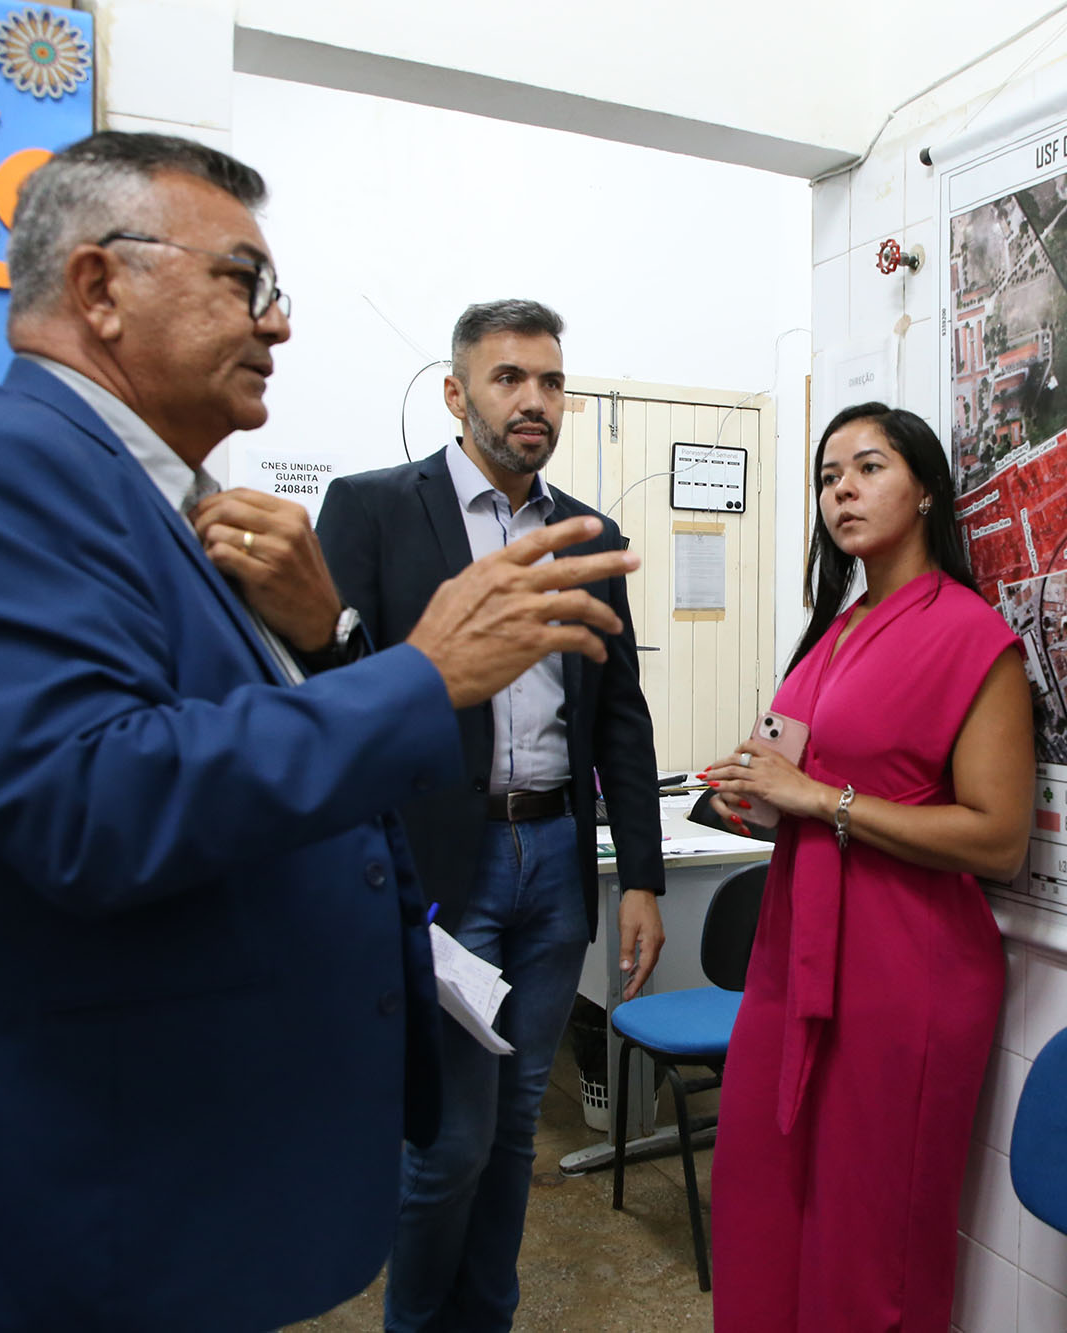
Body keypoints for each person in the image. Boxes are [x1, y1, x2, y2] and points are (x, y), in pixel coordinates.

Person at [0, 133, 639, 1333]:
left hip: (161, 1174)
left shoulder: (156, 501)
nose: (278, 323)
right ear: (99, 287)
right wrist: (419, 675)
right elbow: (94, 803)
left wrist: (331, 646)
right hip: (76, 1205)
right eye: (243, 281)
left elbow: (233, 738)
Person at [316, 298, 665, 1333]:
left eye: (551, 381)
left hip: (556, 856)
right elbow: (330, 695)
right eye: (509, 377)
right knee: (450, 1140)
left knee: (517, 1128)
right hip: (441, 861)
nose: (534, 400)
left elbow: (620, 714)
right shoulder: (374, 510)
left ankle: (487, 1317)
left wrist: (640, 876)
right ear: (454, 391)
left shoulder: (586, 534)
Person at [702, 403, 1034, 1331]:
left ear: (925, 489)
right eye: (827, 476)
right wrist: (757, 798)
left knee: (869, 1237)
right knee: (761, 1200)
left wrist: (821, 800)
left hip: (903, 971)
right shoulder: (835, 630)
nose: (841, 490)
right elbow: (798, 783)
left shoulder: (972, 637)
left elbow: (999, 839)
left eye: (868, 467)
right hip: (794, 955)